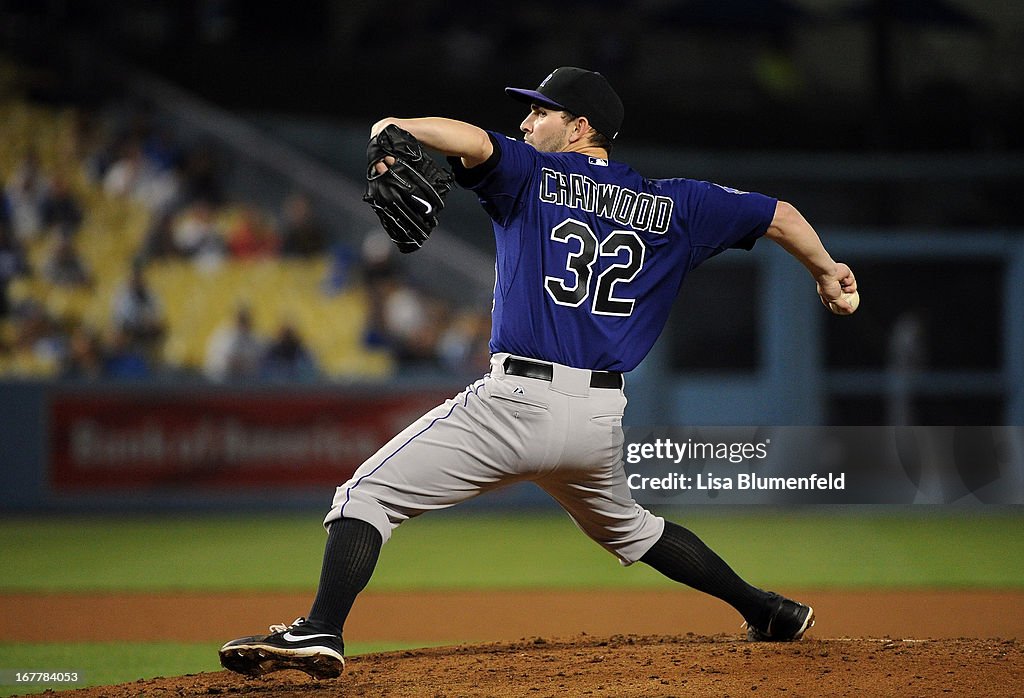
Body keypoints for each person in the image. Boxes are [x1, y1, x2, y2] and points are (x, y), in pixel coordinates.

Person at [219, 66, 858, 680]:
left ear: (579, 128)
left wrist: (393, 124)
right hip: (598, 420)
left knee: (366, 496)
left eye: (539, 111)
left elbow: (468, 139)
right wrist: (827, 271)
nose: (525, 123)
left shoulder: (533, 173)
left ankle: (320, 630)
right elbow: (775, 213)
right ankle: (767, 610)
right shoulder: (677, 204)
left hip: (516, 401)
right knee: (634, 528)